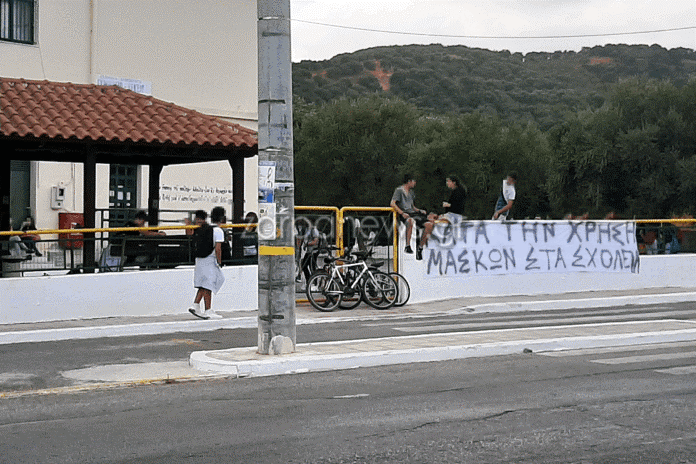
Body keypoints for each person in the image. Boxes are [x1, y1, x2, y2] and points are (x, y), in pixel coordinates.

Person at [186, 208, 226, 320]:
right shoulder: (218, 231)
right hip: (209, 259)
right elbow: (218, 248)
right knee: (208, 285)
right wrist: (219, 261)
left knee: (203, 284)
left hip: (199, 259)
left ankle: (196, 305)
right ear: (223, 219)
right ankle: (208, 310)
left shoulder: (203, 228)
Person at [416, 175, 467, 260]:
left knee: (432, 220)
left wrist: (448, 205)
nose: (447, 183)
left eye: (448, 181)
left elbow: (457, 207)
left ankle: (422, 244)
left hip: (454, 216)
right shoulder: (457, 191)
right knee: (433, 217)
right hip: (453, 214)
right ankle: (422, 243)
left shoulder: (458, 192)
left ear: (453, 182)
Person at [390, 174, 429, 254]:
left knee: (429, 224)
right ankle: (407, 245)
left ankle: (420, 247)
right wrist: (402, 212)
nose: (415, 183)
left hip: (412, 213)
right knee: (410, 221)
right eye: (414, 181)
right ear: (409, 181)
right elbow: (392, 203)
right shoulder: (399, 190)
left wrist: (419, 210)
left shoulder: (411, 192)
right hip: (404, 213)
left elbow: (412, 206)